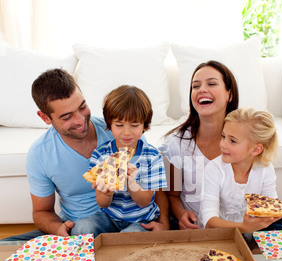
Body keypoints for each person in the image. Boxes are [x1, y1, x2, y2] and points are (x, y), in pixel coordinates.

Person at [2, 69, 169, 241]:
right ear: (45, 117)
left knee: (132, 239)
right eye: (67, 116)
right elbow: (41, 211)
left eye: (82, 107)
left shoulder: (121, 128)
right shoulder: (40, 153)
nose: (80, 120)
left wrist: (164, 224)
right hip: (83, 226)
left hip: (136, 220)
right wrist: (60, 229)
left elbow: (156, 190)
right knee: (7, 247)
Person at [160, 60, 239, 229]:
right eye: (195, 86)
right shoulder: (175, 145)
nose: (202, 89)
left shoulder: (245, 140)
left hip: (238, 230)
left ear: (229, 95)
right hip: (197, 232)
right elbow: (172, 196)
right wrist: (181, 214)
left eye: (211, 83)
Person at [201, 107, 282, 232]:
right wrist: (244, 227)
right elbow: (209, 221)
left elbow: (271, 205)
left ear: (256, 149)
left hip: (254, 224)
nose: (223, 144)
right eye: (223, 136)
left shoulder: (265, 168)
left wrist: (276, 213)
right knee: (277, 229)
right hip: (226, 230)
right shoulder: (214, 169)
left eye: (232, 141)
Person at [85, 85, 167, 233]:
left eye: (134, 125)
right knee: (83, 228)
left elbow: (145, 202)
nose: (126, 132)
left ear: (144, 125)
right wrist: (106, 193)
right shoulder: (101, 155)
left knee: (129, 236)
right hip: (109, 217)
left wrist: (131, 183)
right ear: (110, 124)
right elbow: (102, 204)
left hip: (141, 220)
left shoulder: (152, 156)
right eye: (119, 125)